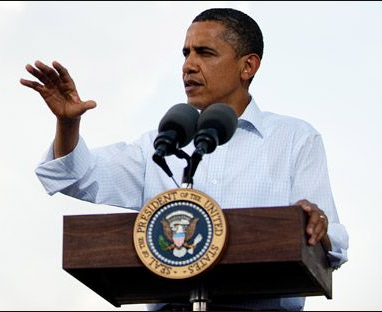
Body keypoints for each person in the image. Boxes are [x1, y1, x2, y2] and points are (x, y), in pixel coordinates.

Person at [20, 8, 348, 311]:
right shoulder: (161, 145)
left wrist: (316, 228)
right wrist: (67, 123)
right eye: (186, 53)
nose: (188, 65)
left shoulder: (294, 138)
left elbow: (333, 241)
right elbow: (75, 175)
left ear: (247, 66)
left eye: (204, 53)